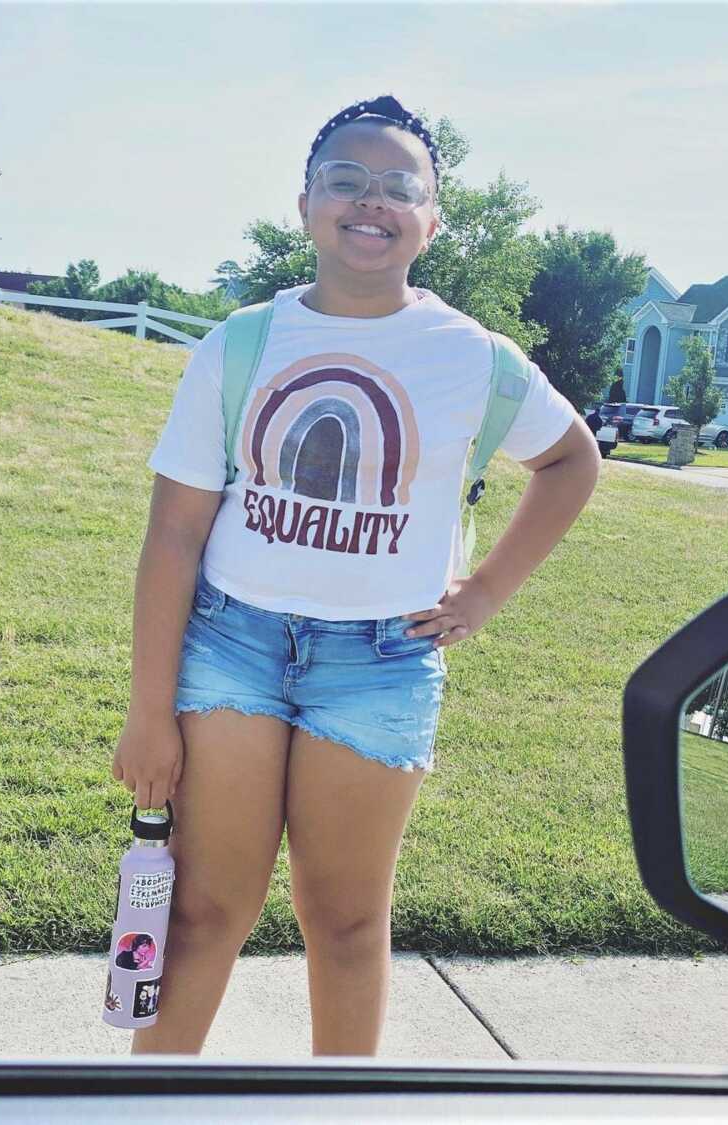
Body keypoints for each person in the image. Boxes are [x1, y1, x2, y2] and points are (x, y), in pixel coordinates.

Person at [112, 93, 600, 1060]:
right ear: (305, 204)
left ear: (432, 218)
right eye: (346, 180)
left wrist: (488, 590)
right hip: (233, 644)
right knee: (207, 910)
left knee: (342, 921)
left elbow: (572, 458)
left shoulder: (476, 357)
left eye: (399, 187)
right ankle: (150, 1107)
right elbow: (173, 535)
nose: (370, 202)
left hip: (380, 664)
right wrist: (147, 709)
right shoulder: (242, 342)